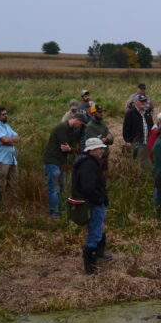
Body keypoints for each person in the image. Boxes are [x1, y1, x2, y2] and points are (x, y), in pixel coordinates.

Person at [72, 138, 110, 274]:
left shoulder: (87, 162)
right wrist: (99, 199)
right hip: (93, 204)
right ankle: (90, 268)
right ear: (91, 150)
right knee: (94, 233)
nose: (102, 150)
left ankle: (100, 254)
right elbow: (89, 187)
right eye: (99, 148)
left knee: (99, 229)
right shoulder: (89, 164)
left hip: (92, 203)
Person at [42, 113, 87, 216]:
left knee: (62, 187)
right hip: (52, 161)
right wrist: (72, 149)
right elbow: (64, 148)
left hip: (60, 162)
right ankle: (54, 211)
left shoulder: (70, 130)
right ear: (77, 120)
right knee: (54, 187)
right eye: (81, 124)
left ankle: (61, 208)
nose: (80, 126)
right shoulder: (62, 127)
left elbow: (71, 147)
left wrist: (71, 149)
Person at [122, 95, 155, 168]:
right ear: (135, 102)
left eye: (145, 101)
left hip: (147, 143)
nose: (144, 103)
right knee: (135, 165)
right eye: (141, 101)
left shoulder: (147, 113)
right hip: (136, 143)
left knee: (146, 165)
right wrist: (128, 141)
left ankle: (143, 178)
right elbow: (125, 129)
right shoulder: (130, 113)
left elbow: (151, 127)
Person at [83, 104, 114, 168]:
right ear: (93, 113)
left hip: (105, 156)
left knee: (105, 176)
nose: (102, 113)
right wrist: (105, 139)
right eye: (99, 112)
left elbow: (111, 139)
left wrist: (106, 139)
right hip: (96, 159)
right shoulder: (90, 127)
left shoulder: (102, 123)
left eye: (102, 111)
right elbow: (93, 145)